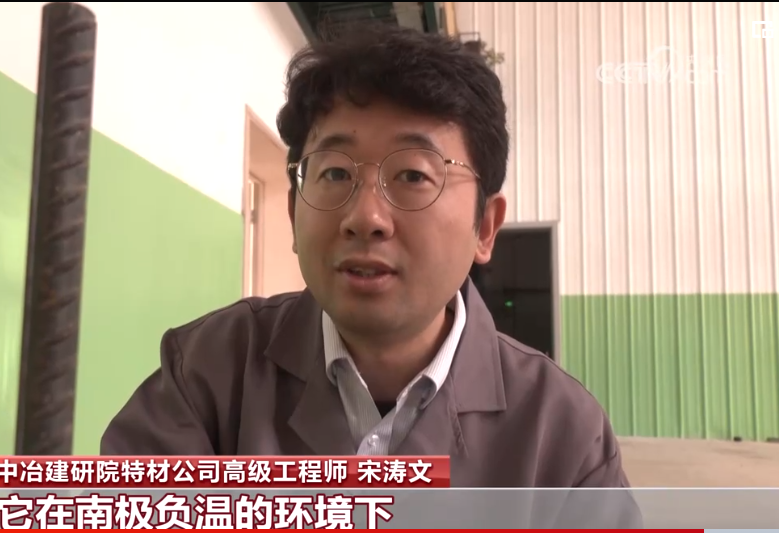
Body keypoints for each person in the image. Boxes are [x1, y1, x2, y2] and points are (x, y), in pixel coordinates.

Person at [101, 23, 632, 491]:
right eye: (334, 172)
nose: (365, 217)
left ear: (485, 227)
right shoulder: (207, 373)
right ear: (293, 209)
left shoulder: (562, 432)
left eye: (413, 175)